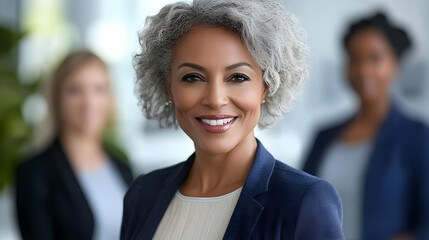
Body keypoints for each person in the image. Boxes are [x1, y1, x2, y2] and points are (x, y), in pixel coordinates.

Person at [121, 1, 344, 239]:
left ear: (266, 87)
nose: (215, 99)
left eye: (237, 77)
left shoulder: (304, 200)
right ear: (169, 88)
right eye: (193, 77)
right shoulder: (142, 194)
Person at [303, 12, 429, 240]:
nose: (363, 70)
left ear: (395, 64)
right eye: (354, 58)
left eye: (375, 58)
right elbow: (297, 201)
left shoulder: (417, 136)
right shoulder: (324, 136)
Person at [15, 51, 134, 240]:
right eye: (76, 90)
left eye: (99, 89)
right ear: (57, 98)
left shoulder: (122, 167)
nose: (89, 102)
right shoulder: (34, 174)